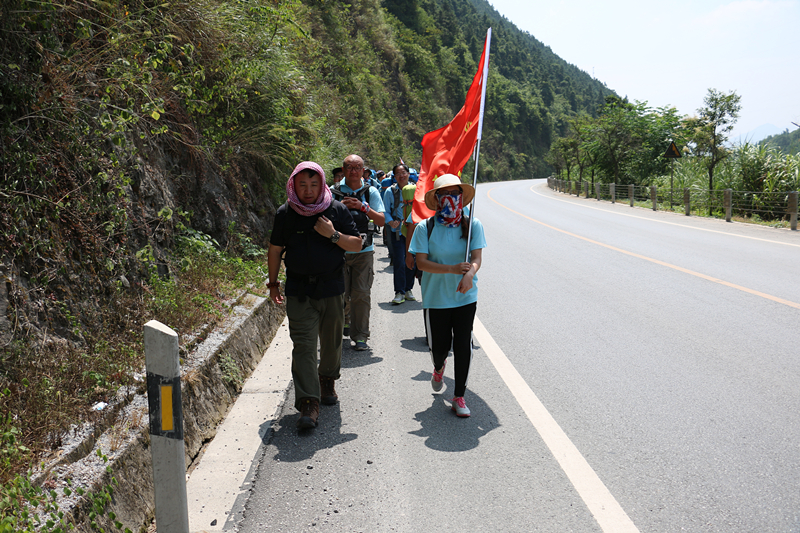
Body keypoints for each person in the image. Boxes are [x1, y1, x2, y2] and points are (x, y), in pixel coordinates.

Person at [267, 161, 362, 429]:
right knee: (304, 345)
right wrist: (273, 284)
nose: (308, 191)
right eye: (302, 184)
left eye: (313, 184)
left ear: (322, 184)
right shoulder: (285, 214)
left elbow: (356, 244)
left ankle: (327, 379)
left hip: (331, 287)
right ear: (293, 185)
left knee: (331, 344)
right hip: (299, 290)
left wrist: (332, 235)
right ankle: (309, 402)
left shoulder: (337, 210)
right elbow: (275, 250)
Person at [409, 174, 486, 418]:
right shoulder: (425, 227)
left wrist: (468, 274)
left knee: (463, 344)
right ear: (438, 198)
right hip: (436, 297)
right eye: (446, 195)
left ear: (462, 198)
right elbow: (421, 263)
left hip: (465, 296)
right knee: (439, 347)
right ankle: (438, 367)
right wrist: (452, 269)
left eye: (456, 194)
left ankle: (459, 395)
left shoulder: (473, 224)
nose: (451, 199)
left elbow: (476, 259)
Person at [331, 154, 385, 350]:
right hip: (338, 251)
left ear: (363, 171)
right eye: (349, 167)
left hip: (364, 251)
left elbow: (381, 221)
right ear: (343, 170)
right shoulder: (333, 192)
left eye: (357, 167)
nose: (353, 171)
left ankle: (360, 335)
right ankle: (342, 324)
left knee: (361, 294)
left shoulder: (371, 192)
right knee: (340, 295)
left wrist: (363, 207)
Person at [383, 163, 418, 304]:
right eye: (398, 173)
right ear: (394, 176)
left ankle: (408, 288)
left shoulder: (417, 189)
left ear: (409, 174)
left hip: (413, 230)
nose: (401, 175)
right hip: (396, 231)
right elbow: (384, 210)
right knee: (399, 261)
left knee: (412, 260)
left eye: (404, 172)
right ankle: (399, 291)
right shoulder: (390, 192)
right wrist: (391, 221)